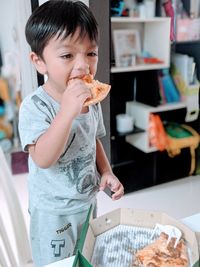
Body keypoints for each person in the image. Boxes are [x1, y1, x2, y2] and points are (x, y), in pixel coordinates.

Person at [18, 1, 124, 266]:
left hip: (86, 202)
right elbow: (42, 157)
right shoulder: (35, 106)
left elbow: (93, 140)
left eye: (91, 53)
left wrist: (106, 171)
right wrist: (66, 112)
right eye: (67, 56)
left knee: (85, 255)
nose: (83, 66)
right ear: (39, 61)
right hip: (54, 214)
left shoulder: (91, 99)